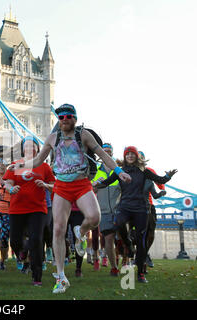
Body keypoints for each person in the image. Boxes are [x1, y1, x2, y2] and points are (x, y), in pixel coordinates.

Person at [10, 104, 131, 293]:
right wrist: (19, 167)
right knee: (58, 229)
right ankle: (61, 277)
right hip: (62, 187)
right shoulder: (52, 138)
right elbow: (38, 161)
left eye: (68, 116)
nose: (64, 119)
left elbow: (101, 154)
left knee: (94, 218)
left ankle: (80, 233)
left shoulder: (83, 135)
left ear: (74, 118)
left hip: (82, 184)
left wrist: (119, 171)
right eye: (61, 117)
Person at [93, 145, 177, 283]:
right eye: (128, 154)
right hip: (125, 206)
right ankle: (128, 244)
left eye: (133, 154)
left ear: (136, 157)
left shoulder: (143, 171)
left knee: (142, 240)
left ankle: (140, 273)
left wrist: (168, 176)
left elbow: (160, 180)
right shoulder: (120, 171)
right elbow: (107, 182)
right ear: (125, 157)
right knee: (118, 223)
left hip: (141, 209)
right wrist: (95, 185)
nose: (130, 156)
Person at [3, 136, 55, 286]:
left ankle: (37, 276)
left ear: (38, 149)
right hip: (17, 208)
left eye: (33, 146)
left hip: (37, 208)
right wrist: (11, 189)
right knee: (15, 241)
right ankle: (23, 251)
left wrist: (45, 185)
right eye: (27, 146)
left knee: (36, 240)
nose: (30, 149)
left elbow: (54, 185)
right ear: (22, 149)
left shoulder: (44, 167)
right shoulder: (16, 165)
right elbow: (8, 182)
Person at [91, 143, 120, 276]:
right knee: (108, 238)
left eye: (109, 151)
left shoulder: (119, 170)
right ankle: (114, 267)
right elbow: (92, 190)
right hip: (103, 210)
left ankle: (122, 259)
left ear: (112, 154)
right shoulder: (96, 170)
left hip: (119, 210)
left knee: (121, 239)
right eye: (104, 151)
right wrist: (96, 184)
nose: (107, 153)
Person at [138, 151, 166, 268]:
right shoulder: (129, 171)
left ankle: (145, 254)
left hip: (148, 206)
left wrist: (161, 188)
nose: (139, 160)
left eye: (141, 158)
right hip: (133, 206)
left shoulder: (149, 172)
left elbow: (160, 185)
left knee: (150, 233)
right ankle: (136, 253)